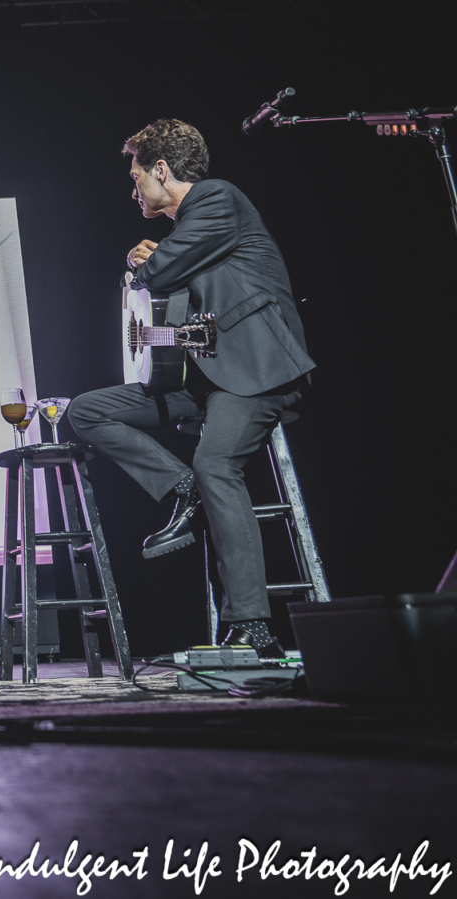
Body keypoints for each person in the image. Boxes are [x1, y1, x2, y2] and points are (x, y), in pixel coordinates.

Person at [68, 119, 314, 657]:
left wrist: (146, 263)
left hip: (256, 372)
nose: (133, 191)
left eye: (138, 178)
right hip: (201, 378)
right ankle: (183, 491)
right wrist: (143, 274)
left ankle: (254, 626)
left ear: (162, 170)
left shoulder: (217, 199)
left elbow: (164, 270)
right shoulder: (188, 236)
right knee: (86, 412)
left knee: (217, 465)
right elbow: (167, 312)